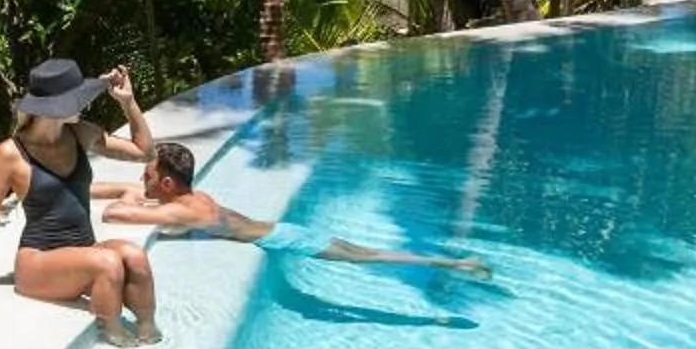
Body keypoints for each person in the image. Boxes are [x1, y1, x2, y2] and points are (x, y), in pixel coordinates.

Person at [0, 58, 164, 345]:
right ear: (55, 108)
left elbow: (145, 153)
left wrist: (128, 103)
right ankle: (113, 335)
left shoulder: (81, 133)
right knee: (108, 264)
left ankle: (148, 332)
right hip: (37, 264)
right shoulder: (11, 154)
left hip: (84, 251)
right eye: (76, 99)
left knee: (135, 257)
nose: (83, 105)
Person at [98, 141, 492, 278]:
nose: (141, 180)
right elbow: (127, 193)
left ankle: (455, 265)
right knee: (363, 253)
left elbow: (116, 213)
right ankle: (455, 263)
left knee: (365, 257)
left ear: (167, 183)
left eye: (147, 175)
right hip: (283, 230)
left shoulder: (181, 212)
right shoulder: (188, 198)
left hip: (286, 239)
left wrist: (131, 199)